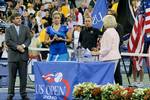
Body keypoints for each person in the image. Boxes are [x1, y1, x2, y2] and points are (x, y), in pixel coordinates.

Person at [5, 13, 31, 100]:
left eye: (20, 18)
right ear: (13, 20)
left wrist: (23, 46)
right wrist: (17, 47)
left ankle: (23, 94)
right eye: (17, 18)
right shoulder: (8, 29)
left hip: (23, 56)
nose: (19, 20)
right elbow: (8, 41)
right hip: (12, 57)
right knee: (12, 76)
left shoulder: (26, 28)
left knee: (23, 76)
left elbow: (28, 39)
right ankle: (10, 94)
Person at [100, 15, 121, 81]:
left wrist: (98, 52)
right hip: (114, 57)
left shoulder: (107, 32)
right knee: (111, 77)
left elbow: (107, 48)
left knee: (107, 78)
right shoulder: (115, 31)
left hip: (108, 58)